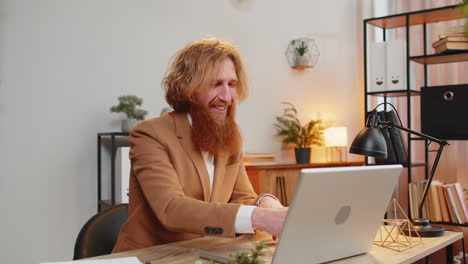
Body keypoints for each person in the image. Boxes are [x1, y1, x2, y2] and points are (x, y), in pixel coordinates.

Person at [113, 38, 288, 253]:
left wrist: (265, 202)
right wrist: (258, 216)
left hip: (203, 254)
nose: (227, 97)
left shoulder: (229, 136)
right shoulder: (149, 134)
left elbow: (242, 198)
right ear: (190, 88)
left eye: (232, 84)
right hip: (153, 256)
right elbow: (171, 209)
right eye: (216, 84)